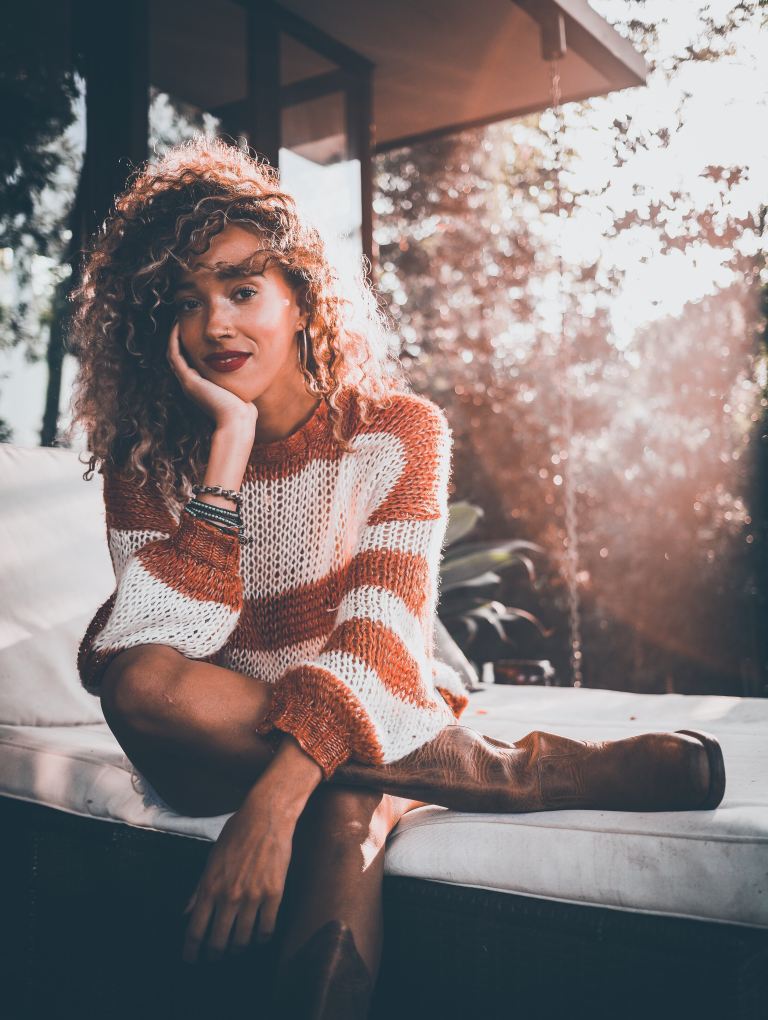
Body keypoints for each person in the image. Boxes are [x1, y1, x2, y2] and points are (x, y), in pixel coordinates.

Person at [67, 136, 725, 1019]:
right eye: (186, 302)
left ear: (301, 296)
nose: (216, 324)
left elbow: (381, 637)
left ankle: (389, 782)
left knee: (345, 817)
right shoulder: (149, 463)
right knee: (141, 683)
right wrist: (223, 461)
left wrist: (276, 803)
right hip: (205, 743)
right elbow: (144, 649)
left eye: (242, 288)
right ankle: (515, 773)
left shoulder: (397, 431)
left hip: (357, 709)